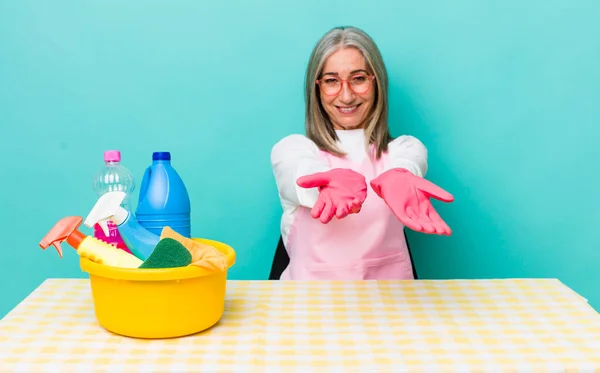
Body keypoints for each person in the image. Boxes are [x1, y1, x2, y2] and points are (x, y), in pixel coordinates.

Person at [270, 26, 454, 281]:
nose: (346, 96)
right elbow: (297, 173)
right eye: (331, 81)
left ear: (376, 81)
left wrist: (400, 176)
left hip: (391, 305)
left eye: (358, 79)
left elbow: (411, 161)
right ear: (316, 88)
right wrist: (324, 184)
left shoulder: (403, 149)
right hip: (308, 305)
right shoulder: (293, 149)